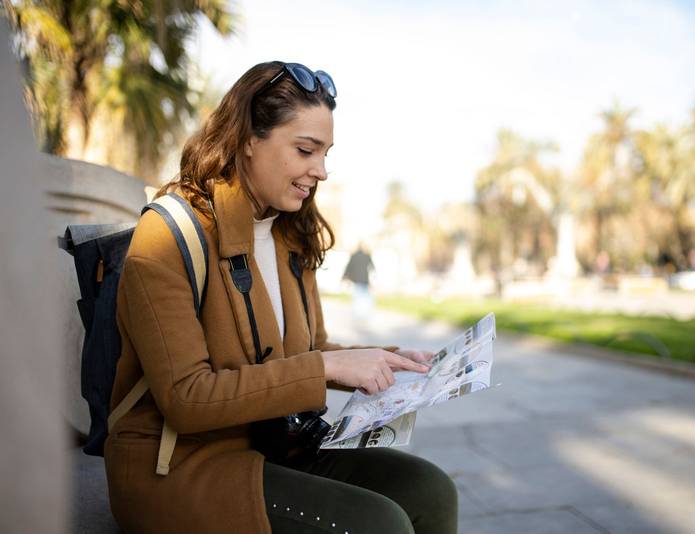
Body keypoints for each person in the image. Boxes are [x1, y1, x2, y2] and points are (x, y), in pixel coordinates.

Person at [104, 61, 458, 534]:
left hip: (275, 445)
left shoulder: (291, 232)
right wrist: (327, 367)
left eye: (326, 153)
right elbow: (186, 398)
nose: (322, 171)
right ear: (249, 138)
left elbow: (311, 351)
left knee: (431, 490)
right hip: (178, 468)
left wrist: (390, 361)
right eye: (305, 150)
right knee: (379, 524)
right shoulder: (168, 234)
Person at [342, 243, 375, 320]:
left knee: (358, 297)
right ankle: (365, 312)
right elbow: (372, 267)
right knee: (365, 296)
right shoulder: (367, 256)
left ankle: (358, 313)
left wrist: (344, 277)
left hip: (356, 280)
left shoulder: (354, 256)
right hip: (365, 279)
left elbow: (348, 267)